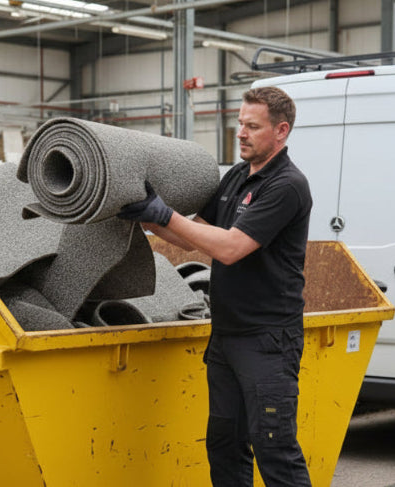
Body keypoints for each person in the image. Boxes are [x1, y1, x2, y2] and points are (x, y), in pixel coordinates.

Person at [118, 86, 313, 486]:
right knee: (224, 445)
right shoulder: (238, 176)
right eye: (240, 123)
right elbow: (199, 236)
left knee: (274, 448)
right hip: (226, 338)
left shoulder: (287, 185)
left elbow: (231, 248)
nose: (241, 132)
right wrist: (150, 220)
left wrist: (167, 216)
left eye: (252, 126)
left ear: (281, 131)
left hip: (267, 340)